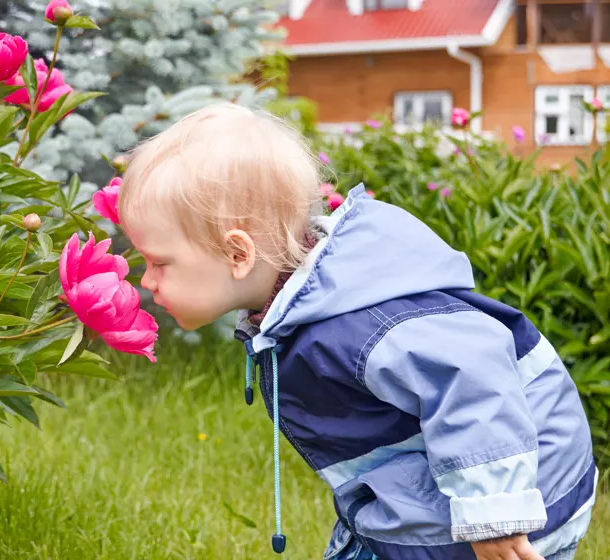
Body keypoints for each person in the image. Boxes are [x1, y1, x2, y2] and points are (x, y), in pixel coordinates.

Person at [116, 103, 596, 560]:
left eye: (159, 262)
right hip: (457, 488)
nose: (147, 280)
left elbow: (475, 376)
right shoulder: (305, 310)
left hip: (517, 497)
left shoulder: (363, 325)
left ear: (238, 254)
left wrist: (495, 515)